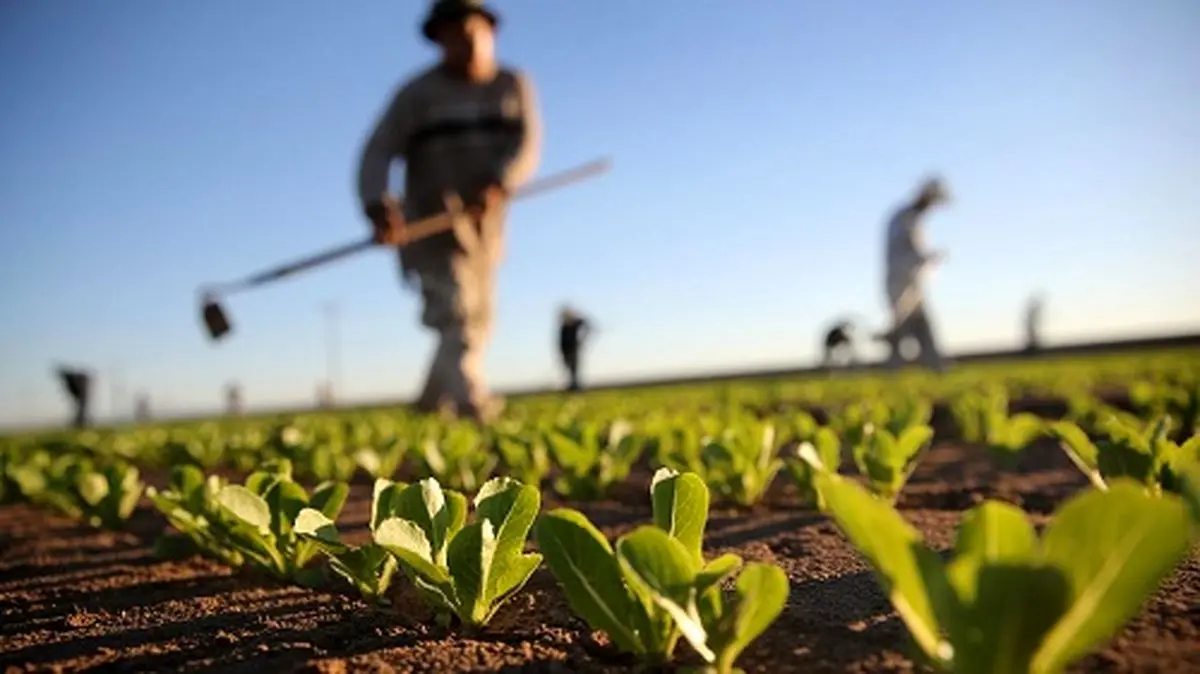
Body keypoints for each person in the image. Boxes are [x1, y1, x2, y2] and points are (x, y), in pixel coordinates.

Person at [356, 0, 542, 423]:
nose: (466, 43)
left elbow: (526, 145)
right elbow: (377, 151)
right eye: (454, 35)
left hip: (486, 228)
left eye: (473, 31)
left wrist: (500, 181)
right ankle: (471, 402)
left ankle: (428, 404)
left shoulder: (513, 85)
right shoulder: (416, 95)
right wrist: (376, 203)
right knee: (455, 312)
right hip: (431, 224)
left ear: (490, 32)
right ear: (439, 40)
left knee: (479, 318)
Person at [880, 176, 951, 371]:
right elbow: (904, 251)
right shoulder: (903, 218)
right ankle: (894, 369)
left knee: (922, 325)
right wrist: (927, 257)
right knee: (901, 328)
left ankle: (935, 365)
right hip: (899, 283)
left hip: (913, 283)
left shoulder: (914, 219)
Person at [558, 306, 593, 391]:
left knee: (575, 368)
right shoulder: (564, 327)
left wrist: (583, 338)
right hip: (566, 351)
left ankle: (575, 386)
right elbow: (561, 342)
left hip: (574, 349)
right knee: (569, 368)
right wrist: (563, 353)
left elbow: (588, 325)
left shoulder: (575, 323)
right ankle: (572, 385)